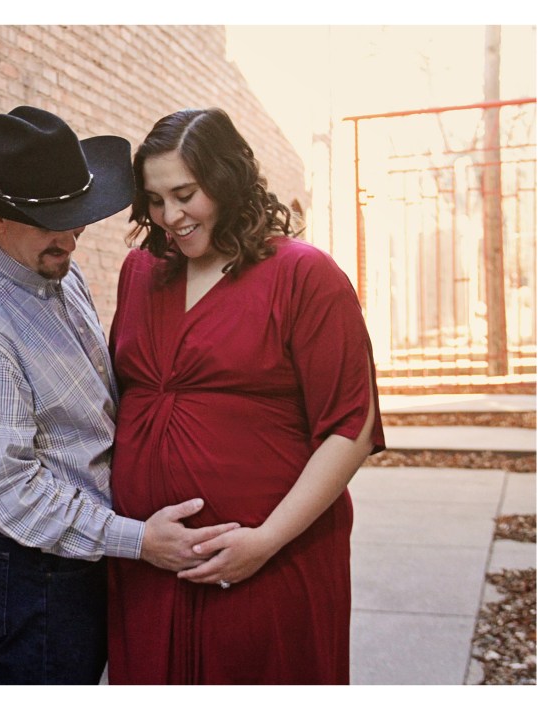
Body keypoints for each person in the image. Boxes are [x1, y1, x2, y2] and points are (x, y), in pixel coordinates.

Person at [0, 106, 237, 685]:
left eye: (76, 220)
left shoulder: (59, 271)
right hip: (31, 567)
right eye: (49, 224)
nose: (68, 239)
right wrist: (140, 541)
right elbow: (15, 494)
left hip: (83, 550)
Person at [106, 108, 387, 684]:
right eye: (155, 200)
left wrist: (264, 541)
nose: (170, 216)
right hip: (149, 570)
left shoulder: (304, 275)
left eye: (185, 194)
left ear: (227, 179)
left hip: (271, 562)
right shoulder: (140, 272)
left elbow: (351, 428)